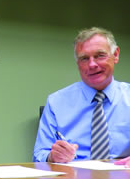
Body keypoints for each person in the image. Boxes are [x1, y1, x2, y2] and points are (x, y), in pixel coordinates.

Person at [33, 26, 130, 164]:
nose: (92, 64)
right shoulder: (56, 102)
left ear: (116, 55)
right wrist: (53, 157)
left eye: (100, 55)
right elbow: (39, 154)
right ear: (78, 63)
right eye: (84, 58)